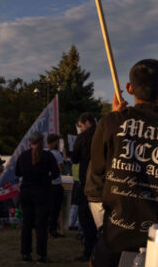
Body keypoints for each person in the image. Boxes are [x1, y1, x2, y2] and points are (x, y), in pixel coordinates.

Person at [85, 59, 158, 267]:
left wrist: (116, 119)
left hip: (115, 240)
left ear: (129, 88)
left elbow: (94, 184)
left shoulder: (110, 123)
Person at [16, 131, 59, 263]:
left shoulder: (23, 156)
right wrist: (46, 179)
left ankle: (26, 254)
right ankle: (41, 255)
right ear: (42, 141)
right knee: (41, 226)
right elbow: (56, 174)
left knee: (27, 225)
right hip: (42, 193)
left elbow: (17, 172)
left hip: (26, 193)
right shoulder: (48, 156)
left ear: (30, 142)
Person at [71, 112, 98, 262]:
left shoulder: (83, 137)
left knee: (86, 217)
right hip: (102, 181)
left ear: (86, 122)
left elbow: (74, 158)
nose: (80, 129)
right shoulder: (103, 133)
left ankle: (89, 250)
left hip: (86, 181)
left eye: (80, 126)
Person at [44, 134, 65, 238]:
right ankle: (52, 230)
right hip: (56, 184)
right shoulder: (57, 154)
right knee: (55, 209)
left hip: (47, 185)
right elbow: (62, 169)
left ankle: (48, 229)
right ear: (54, 142)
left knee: (48, 209)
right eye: (57, 141)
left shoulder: (43, 153)